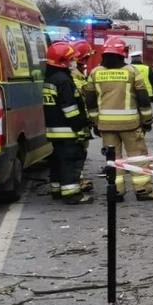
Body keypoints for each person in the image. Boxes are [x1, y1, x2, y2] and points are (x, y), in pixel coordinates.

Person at [83, 37, 153, 201]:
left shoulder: (95, 73)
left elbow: (90, 100)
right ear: (123, 54)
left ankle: (116, 192)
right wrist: (147, 121)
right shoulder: (131, 72)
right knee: (137, 156)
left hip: (106, 125)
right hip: (131, 125)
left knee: (113, 159)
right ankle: (143, 190)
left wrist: (94, 122)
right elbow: (143, 98)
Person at [43, 42, 93, 204]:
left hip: (54, 129)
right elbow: (70, 109)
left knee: (57, 160)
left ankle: (57, 189)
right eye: (72, 59)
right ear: (63, 61)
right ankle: (71, 194)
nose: (74, 62)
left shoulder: (50, 79)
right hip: (68, 129)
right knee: (70, 161)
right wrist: (79, 128)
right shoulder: (64, 81)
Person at [70, 40, 95, 193]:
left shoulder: (76, 73)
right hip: (77, 120)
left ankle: (75, 179)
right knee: (78, 152)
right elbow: (82, 96)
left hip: (77, 119)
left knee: (78, 151)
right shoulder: (75, 75)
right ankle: (76, 180)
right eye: (86, 58)